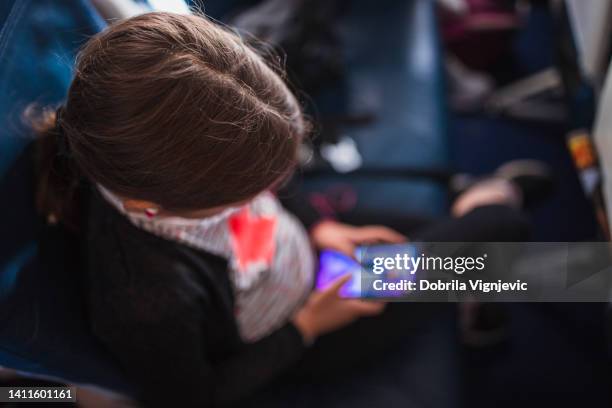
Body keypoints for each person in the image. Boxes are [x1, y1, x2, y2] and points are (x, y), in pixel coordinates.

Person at [31, 12, 535, 407]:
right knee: (502, 230)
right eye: (247, 190)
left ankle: (488, 231)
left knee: (486, 244)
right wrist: (310, 324)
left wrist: (320, 229)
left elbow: (264, 206)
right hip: (306, 326)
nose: (265, 191)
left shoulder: (179, 176)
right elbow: (190, 397)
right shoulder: (148, 301)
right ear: (153, 207)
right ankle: (502, 229)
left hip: (312, 257)